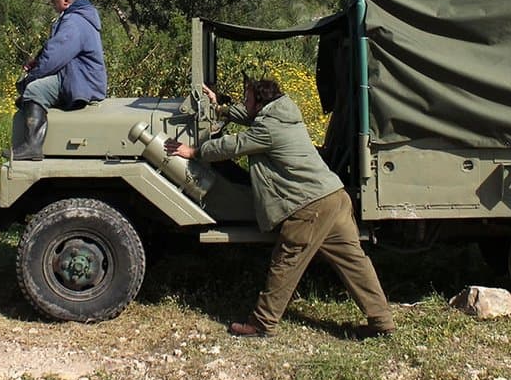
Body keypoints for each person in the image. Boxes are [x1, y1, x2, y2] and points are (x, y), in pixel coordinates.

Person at [165, 76, 396, 338]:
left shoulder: (268, 129)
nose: (244, 102)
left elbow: (234, 145)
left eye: (248, 98)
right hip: (333, 196)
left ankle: (261, 323)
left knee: (285, 262)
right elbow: (248, 114)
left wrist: (193, 152)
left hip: (310, 205)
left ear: (260, 101)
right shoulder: (281, 113)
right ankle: (382, 322)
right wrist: (219, 107)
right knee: (355, 263)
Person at [6, 0, 107, 161]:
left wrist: (31, 77)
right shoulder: (80, 18)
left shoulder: (74, 22)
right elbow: (56, 51)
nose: (52, 2)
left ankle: (32, 147)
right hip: (81, 78)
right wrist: (36, 62)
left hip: (82, 82)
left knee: (34, 90)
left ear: (67, 0)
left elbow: (54, 57)